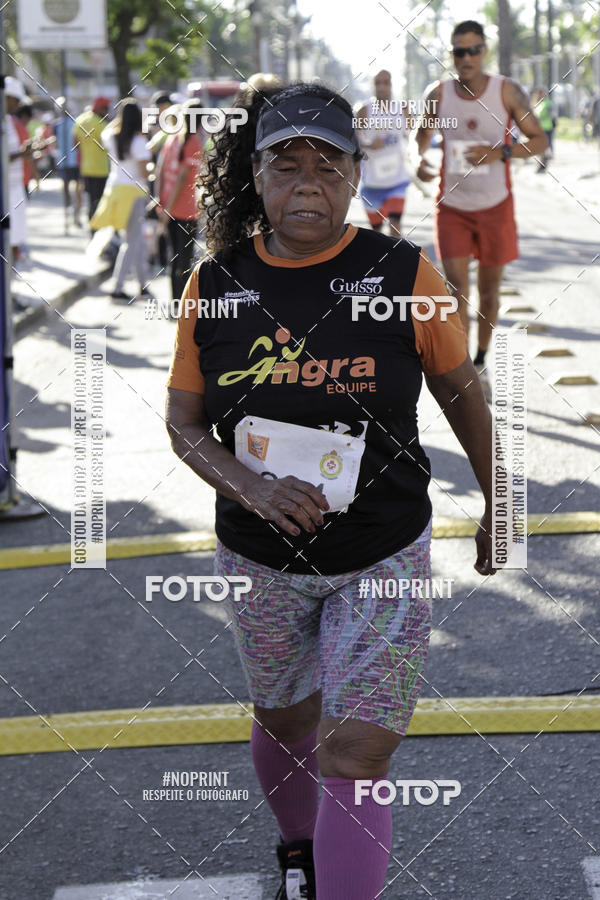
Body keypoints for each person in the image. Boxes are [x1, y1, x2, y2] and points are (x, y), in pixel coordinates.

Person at [165, 82, 497, 900]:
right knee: (286, 719)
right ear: (256, 175)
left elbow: (461, 393)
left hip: (381, 548)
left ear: (355, 177)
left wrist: (503, 504)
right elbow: (183, 423)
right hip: (260, 557)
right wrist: (250, 487)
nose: (307, 181)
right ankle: (297, 850)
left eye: (328, 163)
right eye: (286, 163)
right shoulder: (214, 286)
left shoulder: (404, 272)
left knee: (357, 750)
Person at [415, 20, 547, 400]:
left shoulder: (507, 92)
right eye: (459, 51)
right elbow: (420, 138)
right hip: (453, 206)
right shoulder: (438, 94)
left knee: (489, 293)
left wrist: (500, 152)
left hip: (495, 206)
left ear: (484, 51)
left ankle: (479, 360)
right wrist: (418, 160)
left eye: (473, 50)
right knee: (456, 289)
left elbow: (537, 141)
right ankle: (461, 371)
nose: (467, 58)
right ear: (452, 54)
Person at [91, 98, 152, 301]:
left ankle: (143, 285)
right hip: (134, 193)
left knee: (135, 242)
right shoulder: (139, 142)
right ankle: (118, 287)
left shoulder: (110, 135)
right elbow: (144, 172)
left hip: (116, 191)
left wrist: (120, 117)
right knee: (132, 242)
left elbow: (110, 128)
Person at [156, 101, 203, 300]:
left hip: (169, 208)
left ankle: (175, 301)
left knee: (175, 259)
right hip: (184, 210)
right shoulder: (193, 142)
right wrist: (168, 208)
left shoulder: (171, 139)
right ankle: (183, 305)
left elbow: (159, 172)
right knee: (184, 261)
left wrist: (162, 204)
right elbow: (183, 179)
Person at [355, 70, 411, 236]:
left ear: (391, 85)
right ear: (372, 85)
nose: (381, 86)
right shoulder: (364, 110)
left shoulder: (403, 109)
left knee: (395, 226)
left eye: (385, 82)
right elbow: (353, 142)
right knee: (377, 233)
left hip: (397, 181)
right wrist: (369, 145)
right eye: (377, 82)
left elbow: (413, 137)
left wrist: (416, 158)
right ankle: (382, 261)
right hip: (372, 183)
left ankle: (396, 260)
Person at [4, 77, 33, 270]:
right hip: (6, 190)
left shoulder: (8, 120)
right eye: (15, 100)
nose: (17, 105)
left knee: (15, 240)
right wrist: (21, 153)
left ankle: (11, 293)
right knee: (8, 241)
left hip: (14, 187)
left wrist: (25, 152)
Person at [73, 96, 110, 223]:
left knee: (91, 199)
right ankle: (96, 226)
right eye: (105, 108)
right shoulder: (101, 124)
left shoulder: (80, 120)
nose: (107, 111)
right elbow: (108, 145)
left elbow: (75, 143)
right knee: (99, 201)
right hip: (101, 169)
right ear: (99, 108)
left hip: (86, 168)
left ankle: (91, 224)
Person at [54, 101, 83, 226]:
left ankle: (74, 213)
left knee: (72, 189)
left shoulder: (72, 124)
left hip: (71, 161)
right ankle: (73, 214)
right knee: (72, 189)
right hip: (67, 161)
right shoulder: (59, 125)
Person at [534, 88, 555, 172]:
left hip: (547, 128)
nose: (540, 95)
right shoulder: (539, 103)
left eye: (541, 94)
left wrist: (540, 119)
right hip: (540, 128)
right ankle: (542, 164)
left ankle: (543, 164)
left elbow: (550, 114)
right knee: (540, 148)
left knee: (544, 147)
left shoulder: (548, 103)